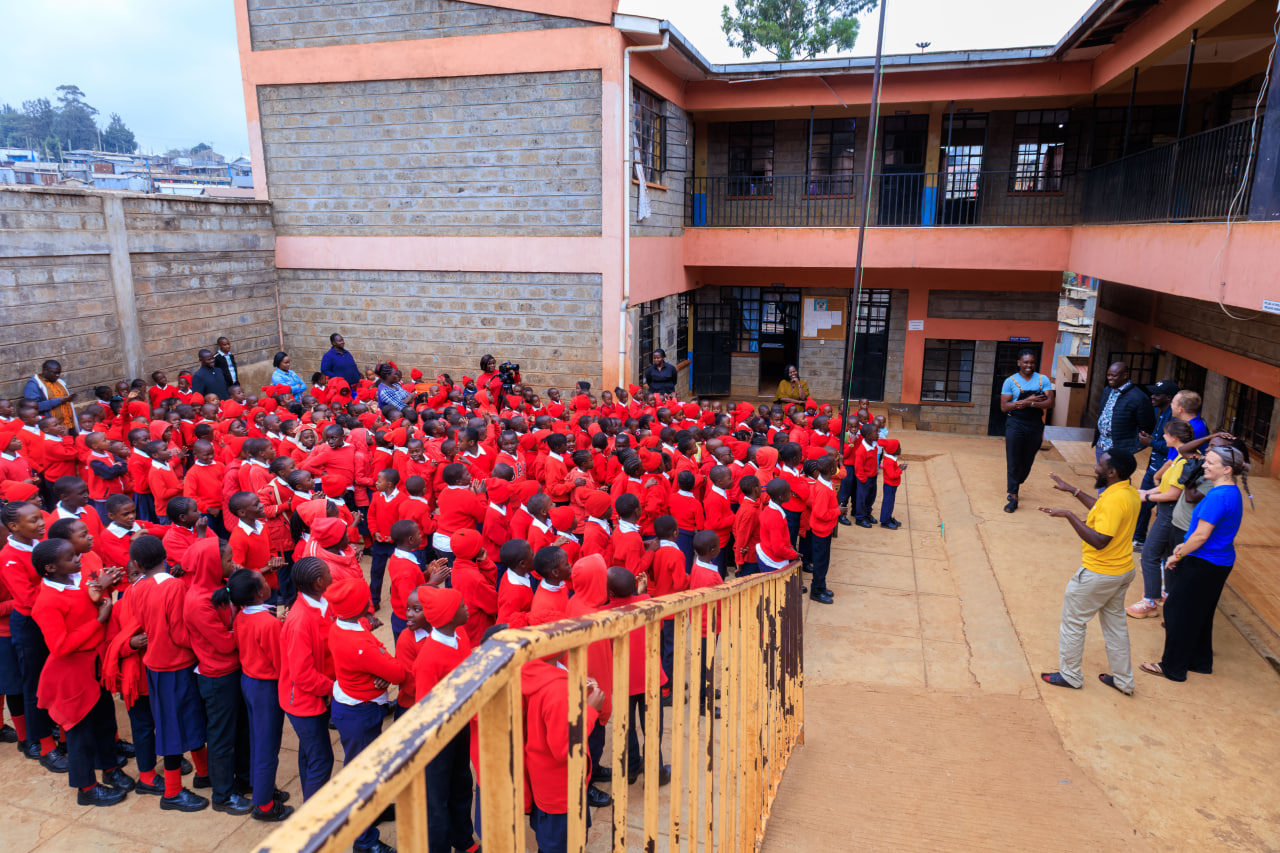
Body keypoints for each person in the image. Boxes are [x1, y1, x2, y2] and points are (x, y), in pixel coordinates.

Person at [29, 539, 133, 806]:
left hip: (93, 666)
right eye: (71, 558)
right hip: (72, 675)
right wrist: (98, 621)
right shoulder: (47, 602)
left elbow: (95, 602)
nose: (78, 560)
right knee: (80, 734)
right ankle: (86, 788)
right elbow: (61, 647)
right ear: (51, 567)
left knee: (105, 722)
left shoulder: (76, 582)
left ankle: (110, 768)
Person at [1141, 445, 1248, 682]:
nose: (1204, 465)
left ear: (1227, 469)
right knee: (1201, 611)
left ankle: (1173, 667)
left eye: (1210, 462)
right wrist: (1182, 548)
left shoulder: (1218, 496)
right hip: (1217, 562)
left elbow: (1201, 536)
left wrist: (1175, 556)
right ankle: (1200, 661)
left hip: (1203, 562)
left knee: (1176, 611)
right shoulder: (1230, 491)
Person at [1039, 450, 1141, 696]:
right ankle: (1124, 681)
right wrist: (1072, 490)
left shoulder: (1115, 499)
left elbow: (1099, 540)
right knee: (1115, 627)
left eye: (1100, 464)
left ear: (1111, 472)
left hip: (1099, 574)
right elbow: (1101, 509)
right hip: (1122, 571)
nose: (1095, 467)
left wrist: (1069, 515)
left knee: (1073, 623)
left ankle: (1070, 676)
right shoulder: (1127, 492)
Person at [325, 576, 405, 853]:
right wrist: (382, 664)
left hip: (352, 705)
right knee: (362, 776)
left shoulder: (341, 625)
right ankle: (363, 840)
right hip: (360, 711)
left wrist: (377, 665)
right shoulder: (360, 643)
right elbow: (397, 672)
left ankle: (374, 811)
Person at [225, 570, 294, 822]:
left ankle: (260, 787)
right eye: (265, 582)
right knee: (267, 746)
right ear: (259, 593)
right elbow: (279, 663)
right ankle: (264, 804)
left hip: (250, 681)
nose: (268, 583)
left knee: (258, 739)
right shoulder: (268, 623)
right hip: (266, 686)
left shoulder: (243, 615)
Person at [279, 556, 335, 802]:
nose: (332, 573)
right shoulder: (300, 620)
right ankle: (315, 821)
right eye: (328, 571)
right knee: (322, 759)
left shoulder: (321, 603)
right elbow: (302, 675)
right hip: (304, 701)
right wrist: (335, 688)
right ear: (319, 582)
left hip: (316, 696)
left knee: (309, 753)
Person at [1127, 418, 1194, 619]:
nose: (1162, 437)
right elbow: (1166, 487)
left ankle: (1150, 600)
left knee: (1148, 554)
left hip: (1168, 514)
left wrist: (1147, 496)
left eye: (1165, 434)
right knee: (1166, 555)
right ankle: (1166, 593)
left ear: (1173, 437)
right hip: (1169, 513)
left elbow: (1173, 494)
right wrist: (1145, 491)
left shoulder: (1183, 462)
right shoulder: (1183, 458)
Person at [999, 349, 1054, 513]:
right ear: (1019, 363)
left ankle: (1017, 480)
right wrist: (1027, 401)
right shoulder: (1010, 382)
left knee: (1027, 460)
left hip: (1035, 424)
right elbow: (1004, 406)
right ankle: (1013, 495)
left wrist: (1030, 404)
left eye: (1031, 362)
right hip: (1015, 423)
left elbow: (1050, 402)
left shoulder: (1042, 380)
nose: (1028, 365)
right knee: (1014, 458)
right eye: (1025, 362)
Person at [1132, 380, 1178, 546]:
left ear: (1168, 397)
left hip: (1163, 470)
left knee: (1161, 510)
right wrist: (1152, 440)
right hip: (1153, 466)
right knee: (1142, 502)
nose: (1152, 396)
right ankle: (1138, 539)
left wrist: (1150, 443)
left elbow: (1172, 447)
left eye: (1157, 394)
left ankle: (1157, 546)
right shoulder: (1161, 411)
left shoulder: (1173, 417)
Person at [1092, 362, 1153, 463]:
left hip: (1120, 449)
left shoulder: (1138, 397)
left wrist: (1133, 446)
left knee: (1118, 477)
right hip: (1101, 445)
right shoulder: (1107, 390)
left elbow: (1147, 426)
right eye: (1108, 375)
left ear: (1125, 375)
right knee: (1102, 475)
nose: (1109, 378)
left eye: (1114, 375)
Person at [23, 360, 77, 434]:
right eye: (55, 372)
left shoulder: (60, 382)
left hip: (69, 425)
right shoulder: (34, 385)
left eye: (59, 373)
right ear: (45, 370)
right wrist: (58, 401)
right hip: (53, 429)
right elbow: (34, 407)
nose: (57, 375)